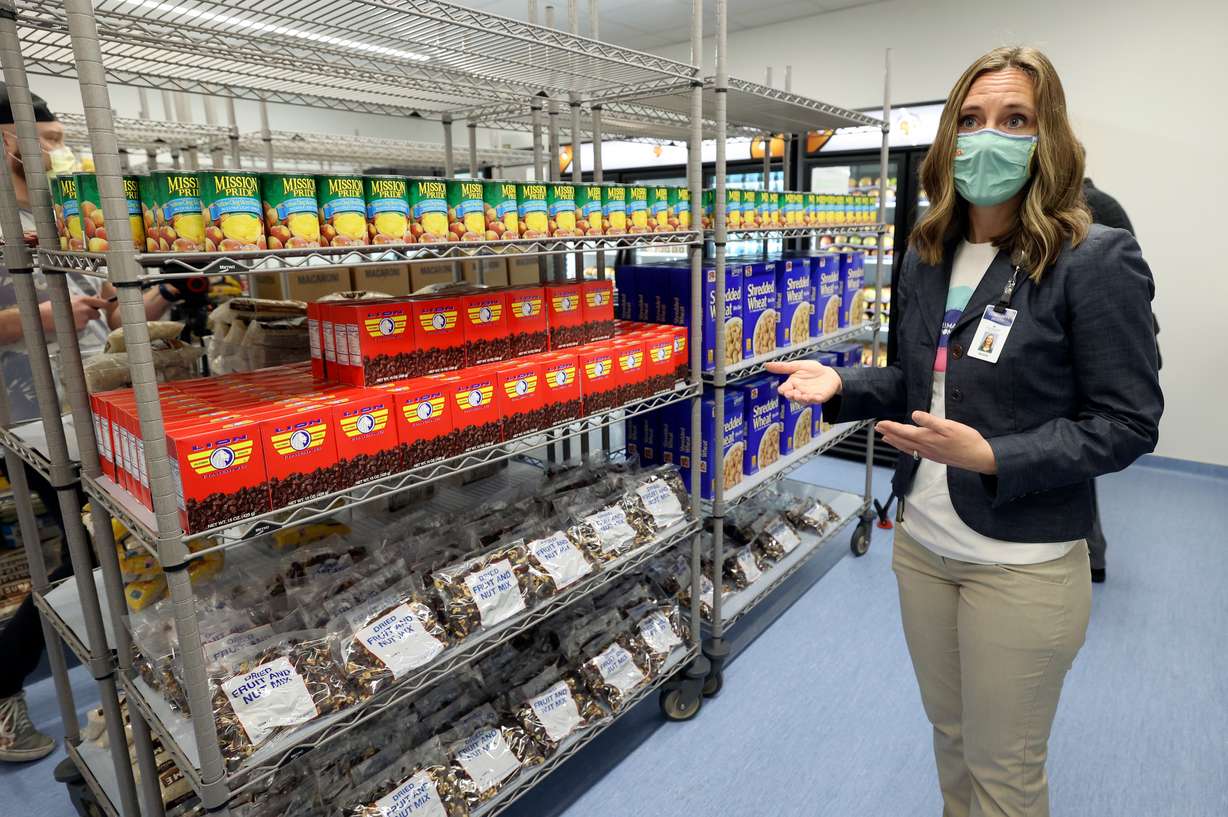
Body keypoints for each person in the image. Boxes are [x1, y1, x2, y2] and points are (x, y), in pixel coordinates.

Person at [769, 46, 1161, 817]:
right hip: (923, 546)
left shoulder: (1094, 258)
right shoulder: (928, 249)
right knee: (951, 737)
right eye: (972, 120)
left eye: (1014, 120)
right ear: (950, 138)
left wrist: (992, 454)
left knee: (1004, 772)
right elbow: (922, 385)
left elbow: (1126, 423)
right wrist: (844, 382)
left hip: (1024, 563)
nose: (989, 137)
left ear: (1048, 138)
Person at [0, 86, 173, 762]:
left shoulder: (63, 215)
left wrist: (170, 290)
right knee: (84, 551)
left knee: (111, 545)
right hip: (24, 419)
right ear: (6, 139)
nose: (58, 153)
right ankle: (8, 683)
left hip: (88, 411)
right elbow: (47, 318)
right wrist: (48, 318)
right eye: (44, 141)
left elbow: (106, 316)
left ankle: (142, 674)